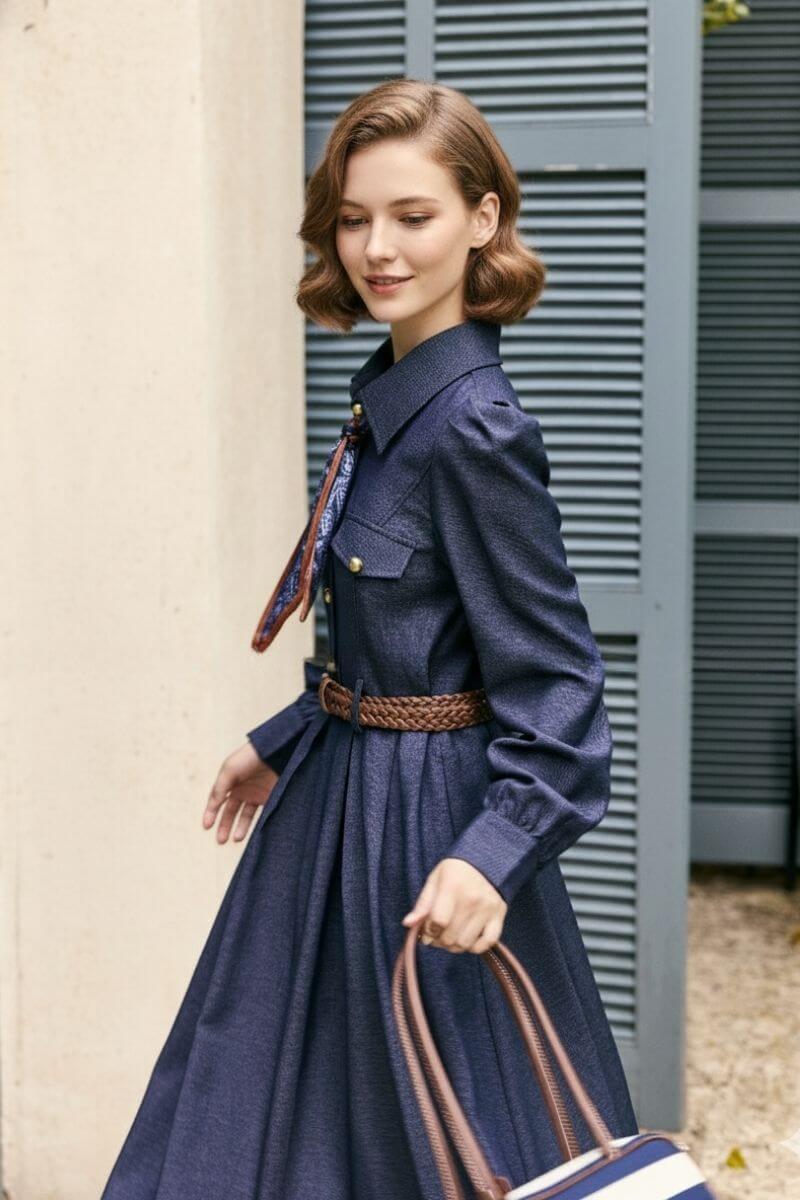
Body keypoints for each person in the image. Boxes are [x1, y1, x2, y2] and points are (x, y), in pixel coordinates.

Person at [100, 78, 638, 1200]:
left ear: (482, 219)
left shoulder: (475, 428)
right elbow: (397, 638)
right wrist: (288, 731)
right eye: (352, 219)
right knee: (252, 1125)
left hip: (428, 837)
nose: (375, 249)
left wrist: (489, 856)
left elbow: (558, 692)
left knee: (429, 1151)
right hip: (329, 818)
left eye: (412, 215)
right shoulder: (387, 396)